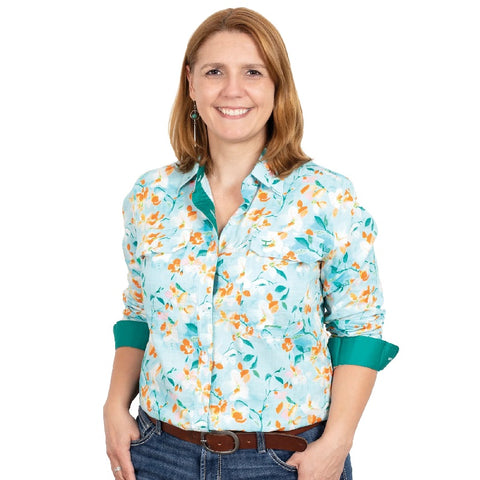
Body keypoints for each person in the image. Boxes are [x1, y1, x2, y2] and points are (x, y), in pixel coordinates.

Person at [103, 7, 399, 480]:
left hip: (285, 461)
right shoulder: (150, 196)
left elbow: (359, 327)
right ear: (191, 83)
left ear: (277, 86)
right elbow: (139, 313)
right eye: (214, 72)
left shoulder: (325, 196)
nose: (232, 90)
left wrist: (336, 444)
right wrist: (114, 407)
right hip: (159, 455)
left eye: (253, 72)